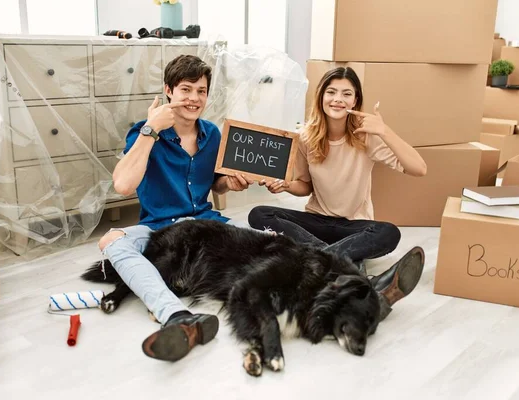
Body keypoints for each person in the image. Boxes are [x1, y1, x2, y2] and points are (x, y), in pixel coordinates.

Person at [98, 55, 255, 362]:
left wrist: (228, 184)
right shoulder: (144, 132)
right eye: (186, 89)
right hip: (160, 229)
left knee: (264, 245)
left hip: (206, 226)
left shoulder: (213, 134)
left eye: (201, 91)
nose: (194, 98)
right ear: (169, 90)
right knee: (110, 241)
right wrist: (150, 129)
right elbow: (123, 186)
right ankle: (176, 315)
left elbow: (215, 185)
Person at [248, 66, 428, 316]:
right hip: (316, 221)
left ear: (356, 100)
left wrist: (385, 131)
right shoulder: (306, 138)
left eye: (346, 94)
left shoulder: (367, 137)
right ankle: (361, 279)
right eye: (331, 92)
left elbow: (419, 168)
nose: (338, 99)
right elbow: (305, 186)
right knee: (259, 214)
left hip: (355, 225)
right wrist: (287, 185)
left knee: (388, 232)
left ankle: (315, 264)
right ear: (321, 96)